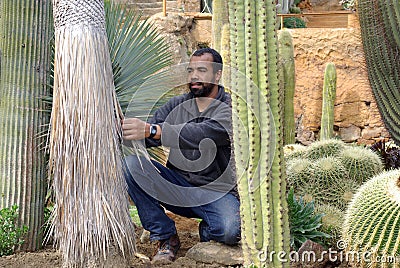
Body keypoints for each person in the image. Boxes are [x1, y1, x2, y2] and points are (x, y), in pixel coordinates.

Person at [122, 48, 240, 263]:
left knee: (230, 231)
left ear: (217, 75)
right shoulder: (176, 104)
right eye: (191, 70)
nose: (194, 76)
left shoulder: (229, 108)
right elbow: (147, 135)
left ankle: (210, 230)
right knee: (131, 166)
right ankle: (166, 237)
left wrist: (153, 130)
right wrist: (124, 127)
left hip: (217, 193)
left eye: (202, 70)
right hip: (178, 188)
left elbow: (201, 135)